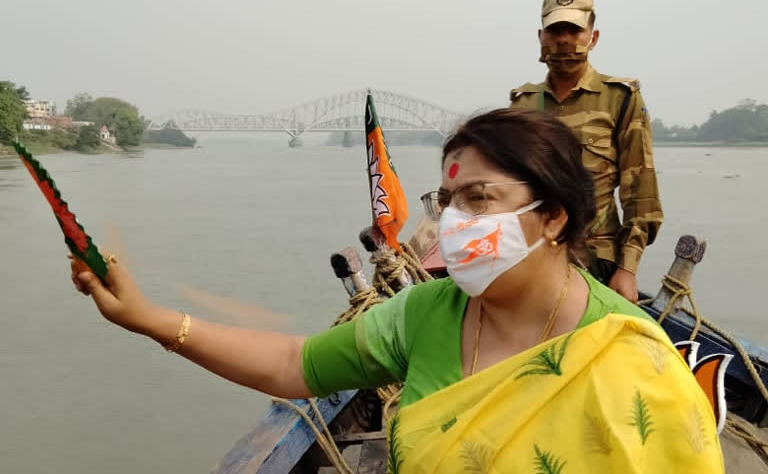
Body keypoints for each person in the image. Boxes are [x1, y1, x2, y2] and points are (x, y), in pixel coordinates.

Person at [72, 109, 722, 473]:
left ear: (552, 217)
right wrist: (151, 319)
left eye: (479, 198)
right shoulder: (426, 311)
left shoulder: (629, 357)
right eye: (447, 201)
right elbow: (295, 364)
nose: (453, 222)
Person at [509, 0, 663, 302]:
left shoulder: (620, 98)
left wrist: (628, 269)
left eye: (574, 30)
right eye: (555, 30)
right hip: (533, 256)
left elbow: (641, 192)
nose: (564, 39)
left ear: (592, 38)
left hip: (596, 262)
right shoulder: (522, 104)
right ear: (541, 37)